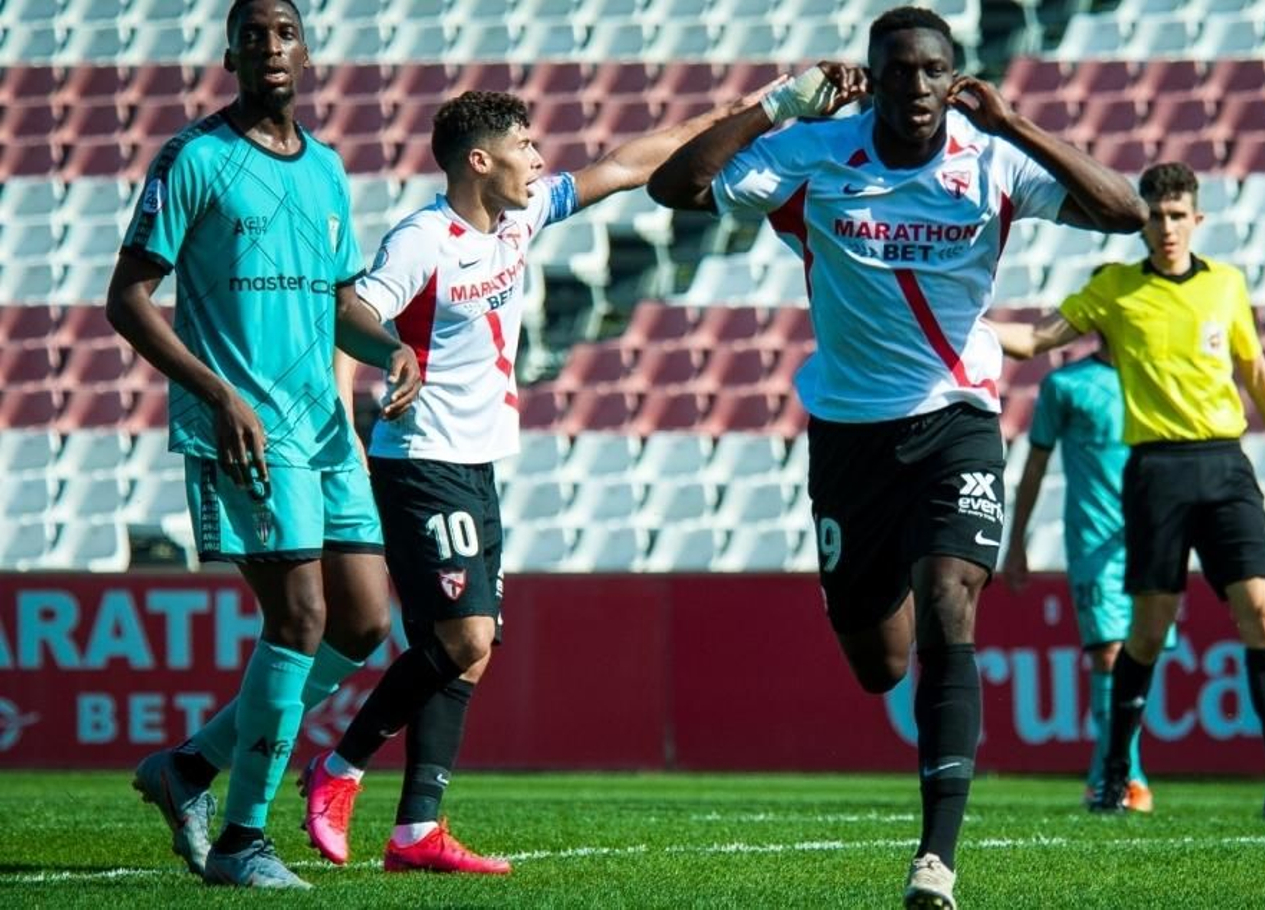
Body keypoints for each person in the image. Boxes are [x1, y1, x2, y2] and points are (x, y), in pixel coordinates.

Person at [648, 8, 1148, 905]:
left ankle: (937, 859)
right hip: (851, 437)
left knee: (951, 598)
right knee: (879, 659)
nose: (916, 87)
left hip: (958, 419)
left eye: (932, 71)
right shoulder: (817, 153)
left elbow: (1128, 214)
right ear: (871, 78)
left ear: (954, 78)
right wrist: (773, 106)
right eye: (899, 71)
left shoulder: (989, 159)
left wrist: (1016, 124)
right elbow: (676, 187)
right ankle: (884, 614)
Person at [298, 87, 774, 874]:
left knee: (468, 654)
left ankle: (417, 829)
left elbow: (625, 165)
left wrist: (764, 107)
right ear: (479, 161)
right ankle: (339, 769)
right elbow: (352, 310)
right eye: (525, 146)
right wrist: (389, 357)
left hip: (477, 463)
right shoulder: (424, 238)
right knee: (465, 638)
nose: (540, 158)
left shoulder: (519, 217)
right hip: (421, 460)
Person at [108, 0, 420, 889]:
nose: (269, 46)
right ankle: (244, 841)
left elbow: (338, 304)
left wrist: (391, 346)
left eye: (284, 32)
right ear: (231, 55)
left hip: (323, 429)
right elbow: (125, 298)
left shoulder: (325, 171)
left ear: (306, 52)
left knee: (361, 622)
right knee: (300, 618)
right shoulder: (195, 160)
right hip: (242, 430)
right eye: (253, 34)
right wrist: (218, 394)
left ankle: (189, 769)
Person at [990, 161, 1265, 821]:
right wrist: (965, 331)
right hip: (1156, 472)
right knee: (1146, 633)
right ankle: (1117, 774)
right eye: (1156, 215)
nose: (1168, 227)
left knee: (1262, 612)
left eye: (1179, 215)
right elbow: (1036, 340)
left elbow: (1255, 369)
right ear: (1140, 220)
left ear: (1197, 220)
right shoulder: (1116, 291)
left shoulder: (1226, 286)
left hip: (1227, 466)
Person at [1000, 341, 1173, 813]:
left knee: (1142, 654)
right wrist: (1016, 541)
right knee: (1107, 654)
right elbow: (1035, 464)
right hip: (1093, 540)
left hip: (1151, 538)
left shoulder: (1160, 372)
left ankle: (1104, 772)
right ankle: (1129, 777)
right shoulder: (1065, 385)